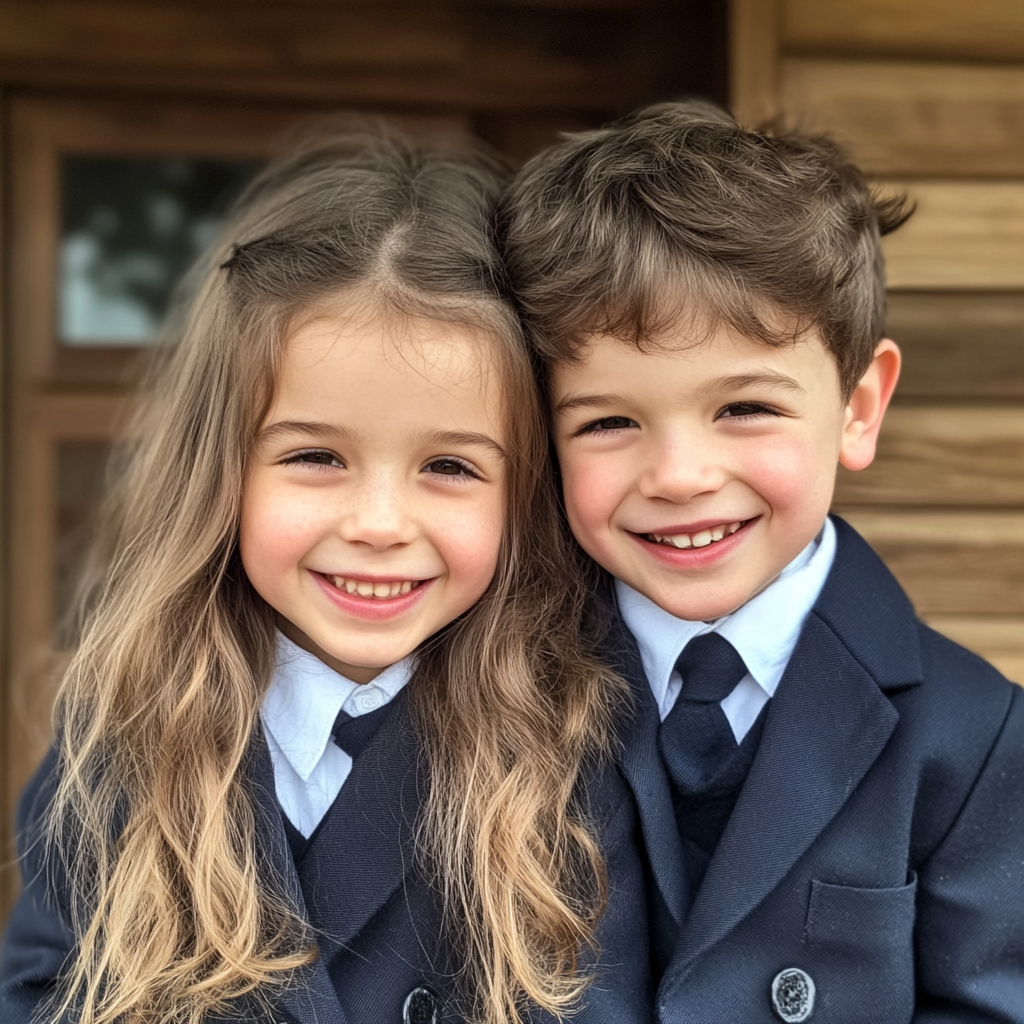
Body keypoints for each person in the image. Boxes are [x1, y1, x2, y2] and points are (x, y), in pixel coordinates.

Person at [0, 123, 651, 1024]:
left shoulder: (574, 750)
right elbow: (43, 994)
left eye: (449, 467)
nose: (379, 525)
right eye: (316, 457)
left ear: (524, 491)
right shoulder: (123, 739)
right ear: (221, 468)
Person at [498, 100, 1024, 1023]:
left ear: (858, 408)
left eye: (744, 408)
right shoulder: (495, 689)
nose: (680, 476)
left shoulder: (977, 736)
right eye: (609, 422)